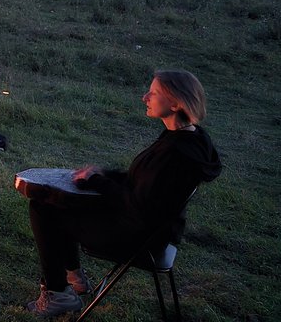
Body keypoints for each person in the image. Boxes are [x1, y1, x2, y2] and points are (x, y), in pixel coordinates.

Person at [22, 69, 222, 317]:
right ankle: (70, 276)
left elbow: (137, 205)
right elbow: (145, 183)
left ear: (176, 103)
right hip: (150, 228)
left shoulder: (177, 154)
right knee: (53, 200)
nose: (144, 97)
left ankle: (58, 293)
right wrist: (102, 176)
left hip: (137, 237)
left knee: (43, 208)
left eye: (154, 93)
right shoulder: (189, 138)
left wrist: (98, 182)